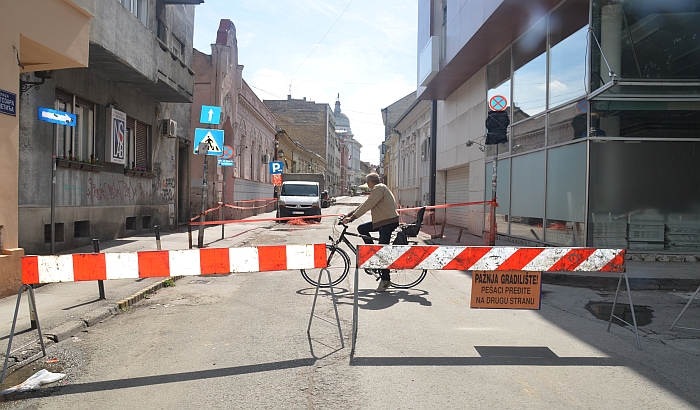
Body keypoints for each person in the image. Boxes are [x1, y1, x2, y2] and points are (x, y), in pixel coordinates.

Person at [341, 173, 399, 292]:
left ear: (370, 182)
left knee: (381, 252)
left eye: (367, 182)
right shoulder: (380, 188)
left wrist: (352, 218)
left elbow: (367, 205)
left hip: (387, 223)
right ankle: (373, 252)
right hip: (382, 221)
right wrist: (349, 214)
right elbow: (365, 203)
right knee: (362, 229)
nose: (367, 185)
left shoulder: (378, 189)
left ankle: (386, 280)